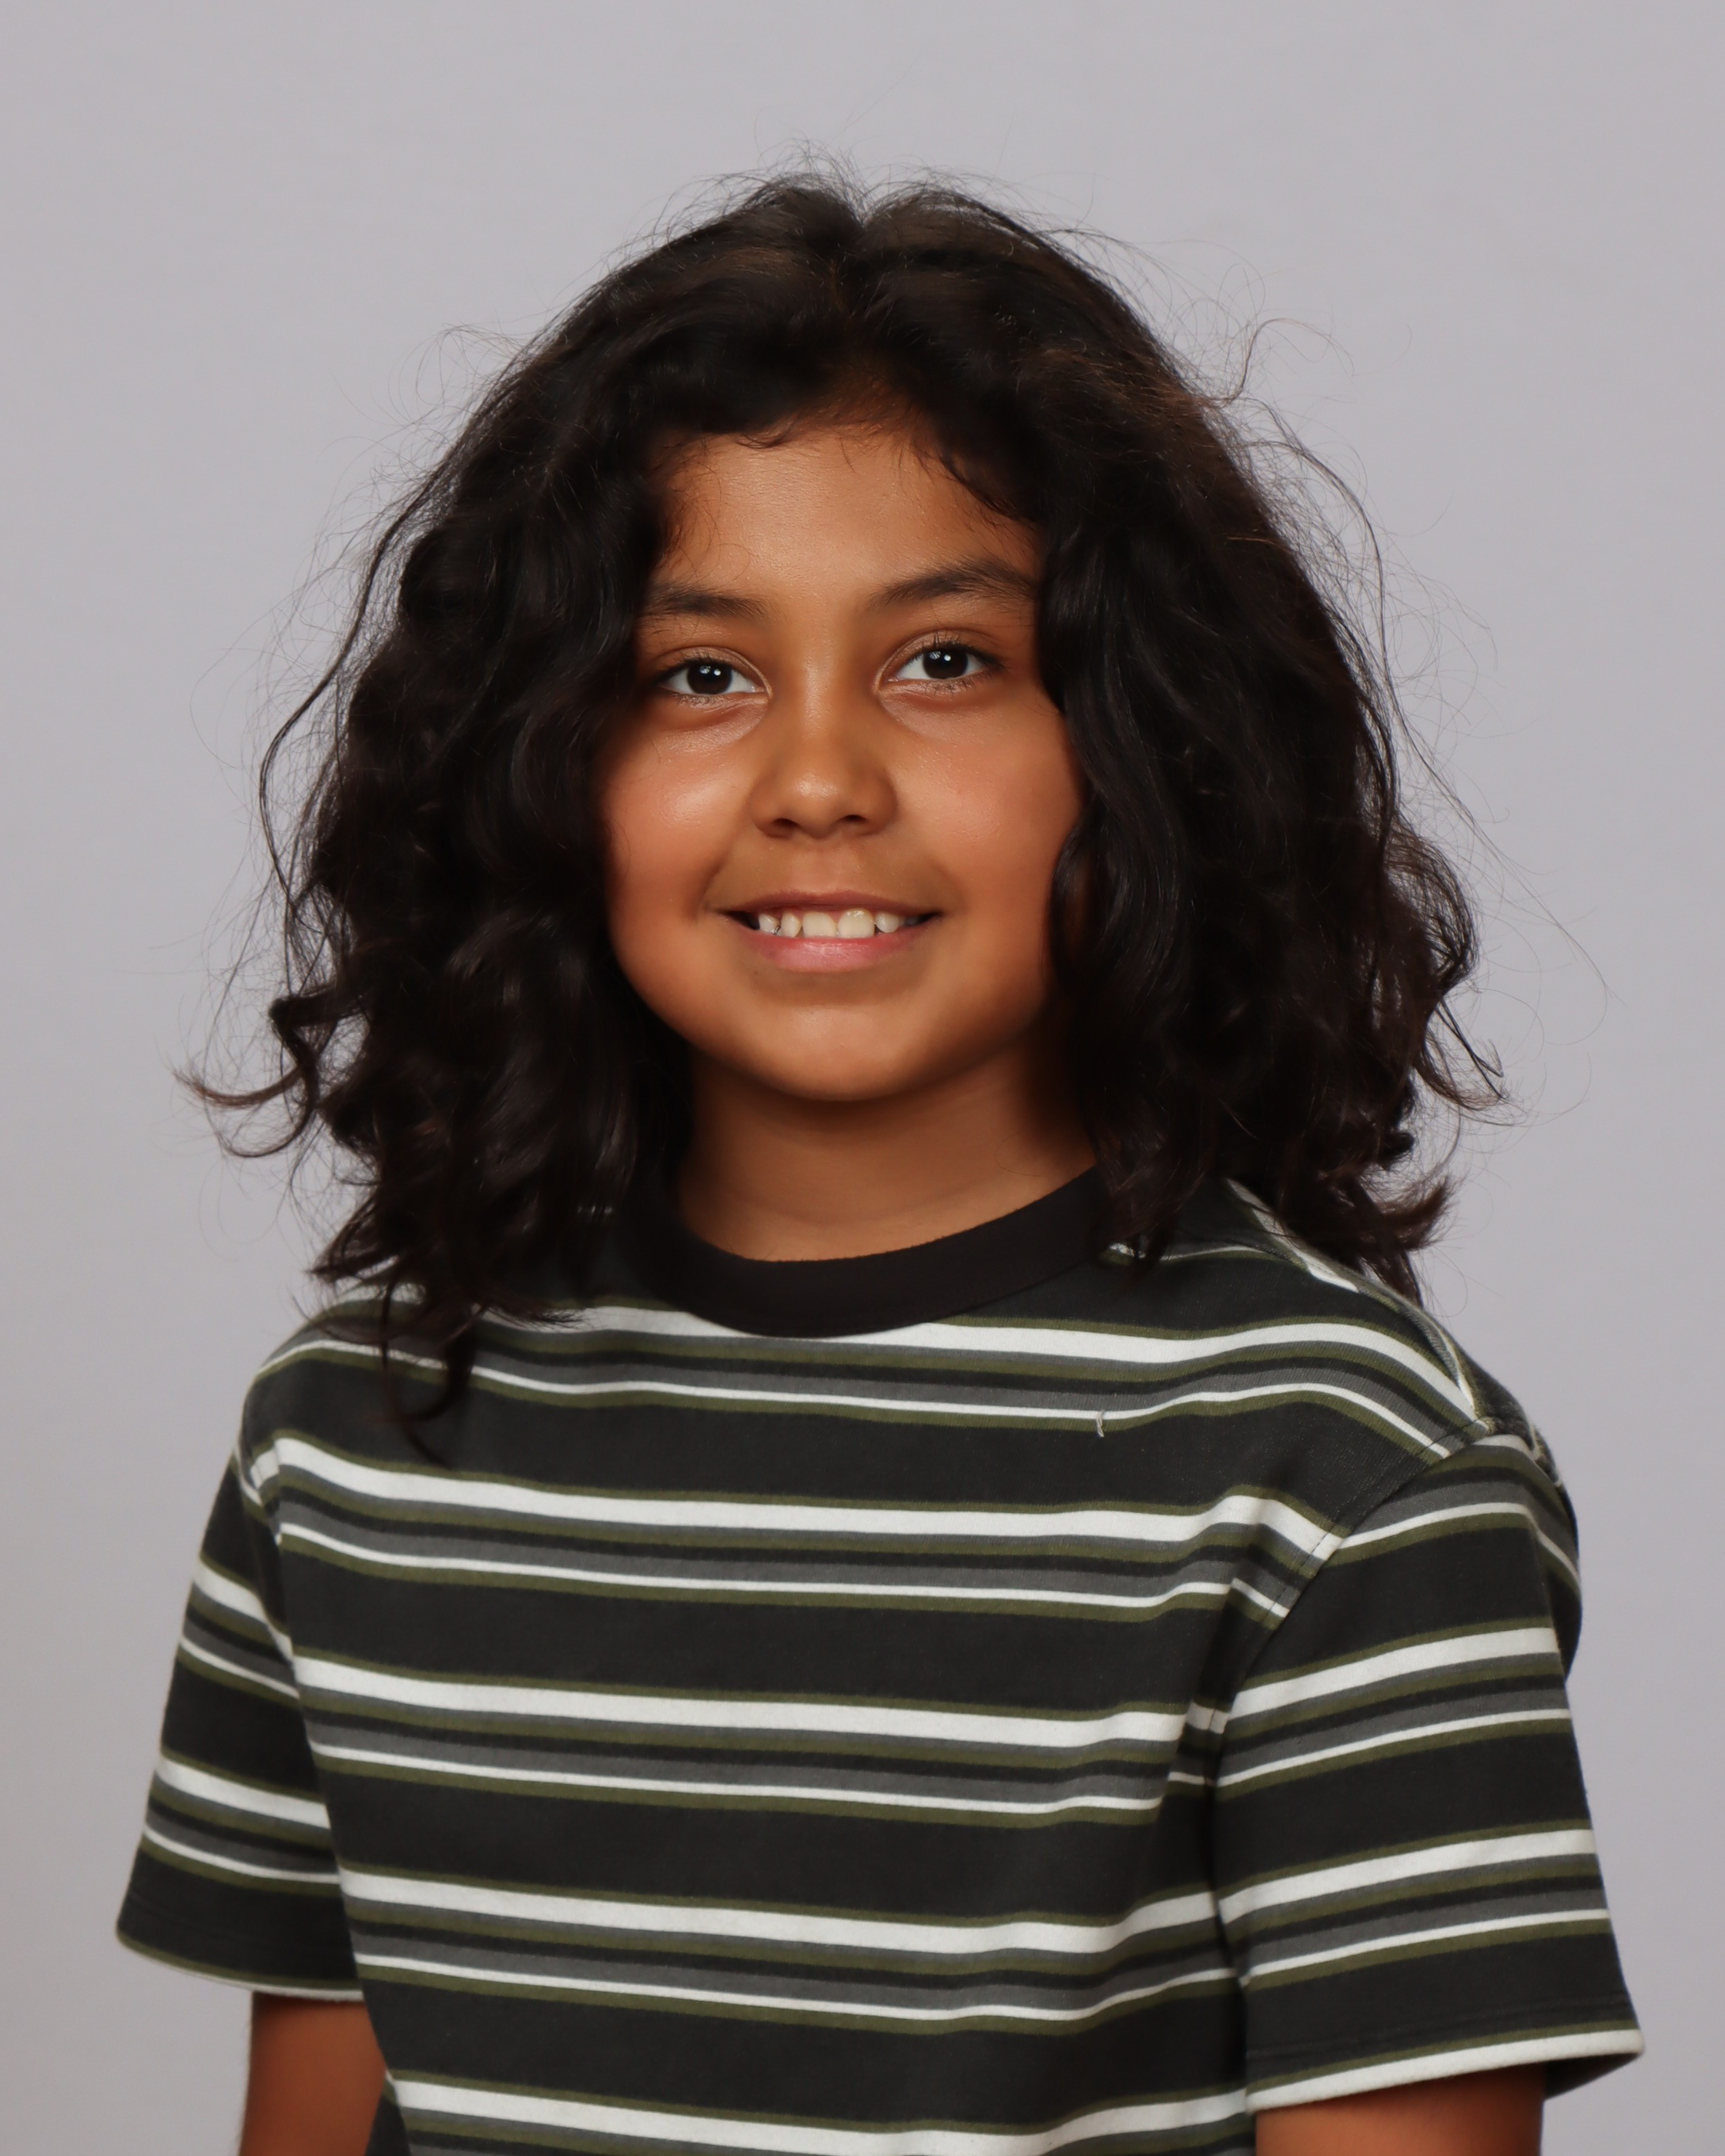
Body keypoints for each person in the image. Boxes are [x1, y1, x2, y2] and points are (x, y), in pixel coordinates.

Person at [117, 177, 1640, 2156]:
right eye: (699, 673)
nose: (819, 780)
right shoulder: (349, 1440)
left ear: (1141, 741)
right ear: (536, 763)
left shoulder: (1347, 1477)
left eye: (943, 660)